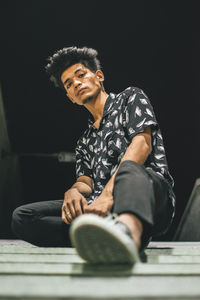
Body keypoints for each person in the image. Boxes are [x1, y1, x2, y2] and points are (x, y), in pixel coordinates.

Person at [11, 46, 175, 264]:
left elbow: (142, 145)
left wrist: (107, 196)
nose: (76, 83)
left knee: (128, 167)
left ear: (99, 76)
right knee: (23, 217)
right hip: (100, 208)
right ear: (71, 97)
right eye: (69, 84)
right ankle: (95, 235)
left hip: (150, 197)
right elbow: (85, 182)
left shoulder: (130, 98)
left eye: (80, 75)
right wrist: (73, 191)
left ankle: (127, 234)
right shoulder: (83, 142)